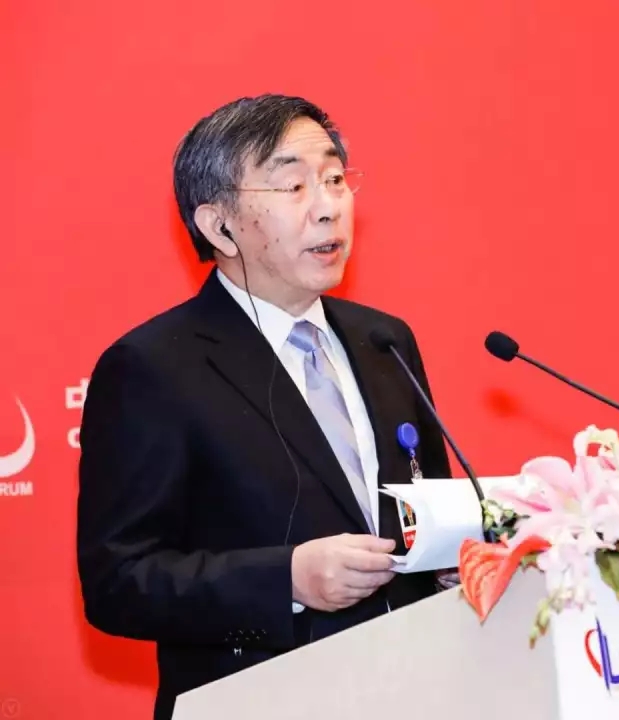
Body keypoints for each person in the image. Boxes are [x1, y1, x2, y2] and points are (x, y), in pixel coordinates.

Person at [75, 94, 452, 720]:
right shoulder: (153, 367)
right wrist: (288, 580)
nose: (328, 207)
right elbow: (119, 582)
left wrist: (455, 555)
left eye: (335, 180)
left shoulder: (384, 339)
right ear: (218, 226)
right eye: (294, 187)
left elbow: (423, 509)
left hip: (413, 694)